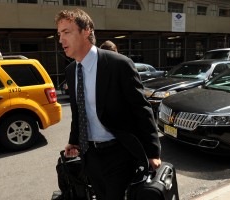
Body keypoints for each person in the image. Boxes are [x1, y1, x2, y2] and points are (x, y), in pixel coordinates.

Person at [55, 8, 161, 200]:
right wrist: (74, 140)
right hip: (90, 155)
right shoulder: (71, 70)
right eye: (59, 34)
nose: (61, 40)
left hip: (119, 153)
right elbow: (79, 110)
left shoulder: (118, 64)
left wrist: (153, 152)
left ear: (86, 31)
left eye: (66, 32)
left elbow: (141, 109)